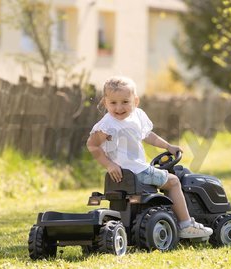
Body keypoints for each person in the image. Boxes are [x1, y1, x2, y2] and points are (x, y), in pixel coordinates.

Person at [86, 76, 213, 239]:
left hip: (132, 172)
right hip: (137, 171)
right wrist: (109, 165)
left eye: (125, 102)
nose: (119, 108)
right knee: (174, 182)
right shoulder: (107, 125)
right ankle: (186, 224)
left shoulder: (137, 116)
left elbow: (148, 136)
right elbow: (92, 145)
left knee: (165, 178)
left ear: (135, 101)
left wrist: (168, 146)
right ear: (105, 103)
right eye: (113, 103)